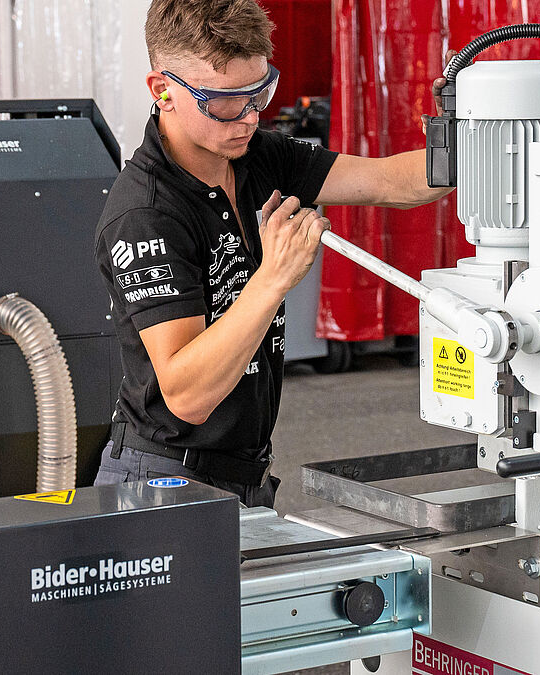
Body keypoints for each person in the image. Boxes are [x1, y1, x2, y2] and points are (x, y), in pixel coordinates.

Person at [93, 0, 451, 507]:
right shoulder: (147, 214)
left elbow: (394, 181)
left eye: (259, 92)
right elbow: (188, 396)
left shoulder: (258, 154)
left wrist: (462, 134)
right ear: (163, 90)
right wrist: (274, 277)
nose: (247, 117)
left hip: (247, 470)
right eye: (224, 102)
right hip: (163, 478)